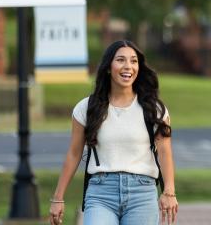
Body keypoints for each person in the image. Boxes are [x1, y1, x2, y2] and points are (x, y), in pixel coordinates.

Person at [48, 40, 178, 225]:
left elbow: (165, 152)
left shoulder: (153, 109)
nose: (128, 66)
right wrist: (58, 198)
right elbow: (74, 153)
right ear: (109, 67)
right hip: (100, 193)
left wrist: (169, 192)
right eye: (121, 60)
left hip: (142, 193)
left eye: (134, 61)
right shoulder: (87, 108)